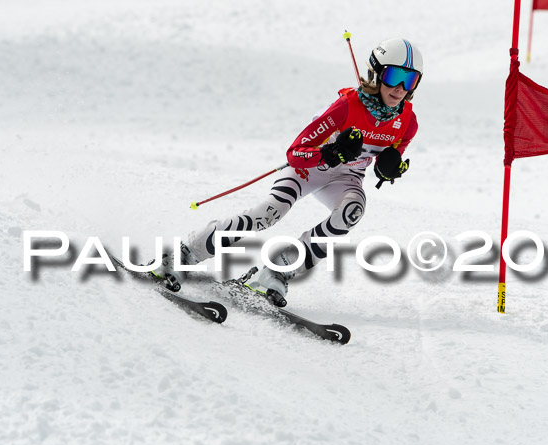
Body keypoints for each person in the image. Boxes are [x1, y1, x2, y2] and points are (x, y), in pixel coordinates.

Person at [153, 37, 423, 307]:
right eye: (394, 75)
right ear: (376, 74)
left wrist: (389, 168)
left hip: (346, 178)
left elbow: (388, 159)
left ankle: (278, 269)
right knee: (269, 214)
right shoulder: (346, 107)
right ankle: (185, 255)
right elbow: (295, 152)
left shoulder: (407, 122)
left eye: (409, 80)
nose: (400, 88)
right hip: (311, 167)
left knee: (352, 211)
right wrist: (330, 152)